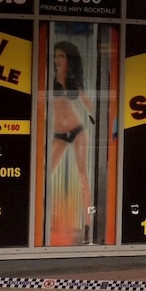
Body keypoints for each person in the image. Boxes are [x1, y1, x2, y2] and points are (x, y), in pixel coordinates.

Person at [51, 40, 96, 245]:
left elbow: (86, 101)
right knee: (45, 173)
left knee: (83, 177)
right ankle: (40, 221)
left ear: (69, 58)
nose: (57, 60)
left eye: (62, 56)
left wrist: (97, 118)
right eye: (56, 56)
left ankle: (88, 225)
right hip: (59, 133)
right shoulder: (50, 79)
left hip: (78, 131)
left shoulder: (73, 81)